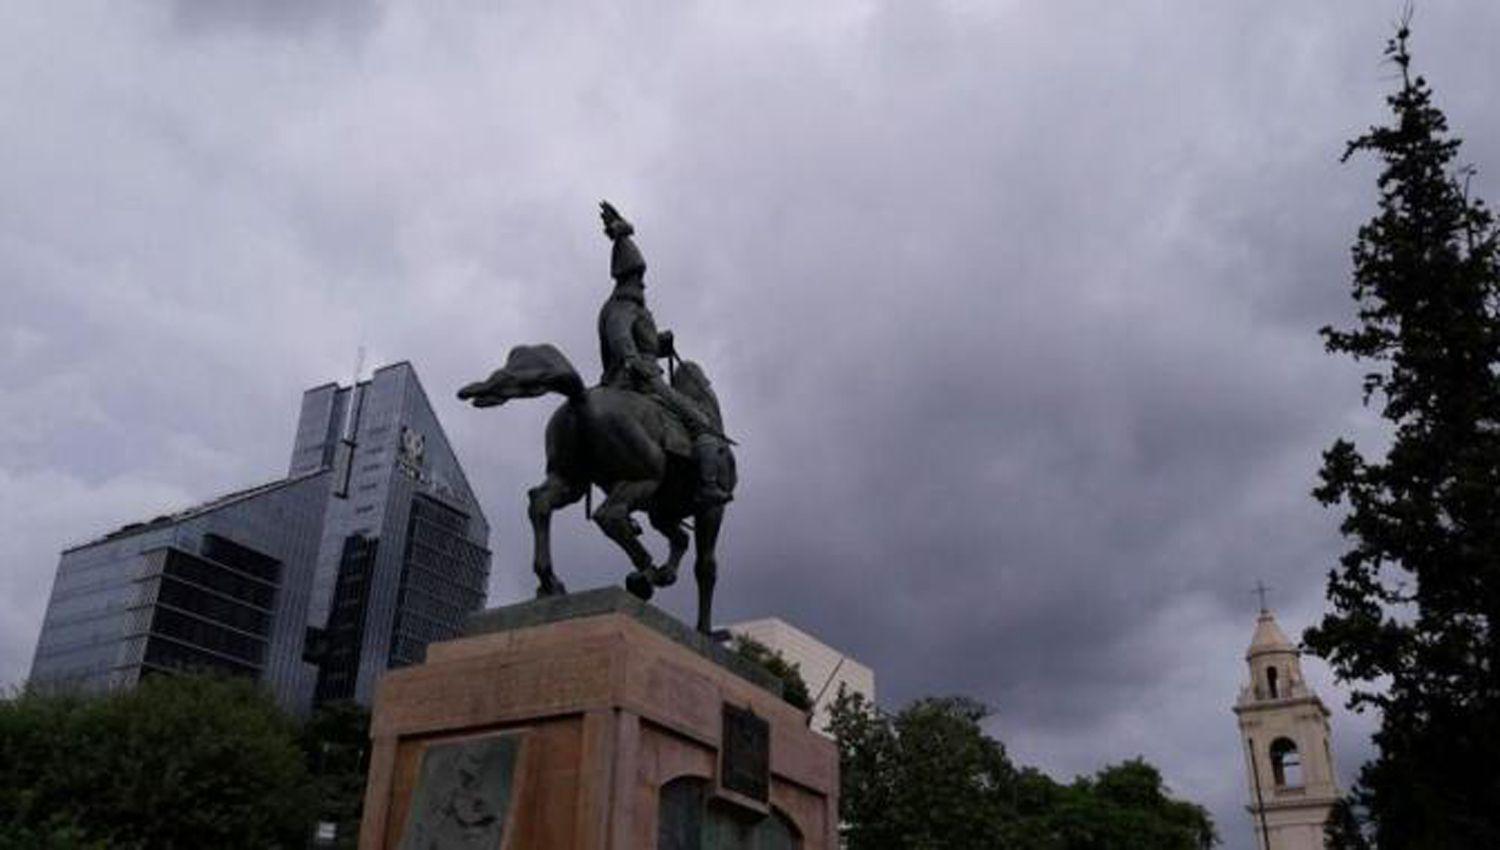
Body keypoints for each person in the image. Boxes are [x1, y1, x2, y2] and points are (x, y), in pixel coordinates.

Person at [597, 201, 735, 507]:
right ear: (629, 277)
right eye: (639, 277)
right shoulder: (623, 306)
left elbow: (637, 342)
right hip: (641, 379)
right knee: (700, 419)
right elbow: (620, 336)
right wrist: (635, 362)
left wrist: (660, 344)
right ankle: (708, 486)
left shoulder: (629, 306)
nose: (643, 284)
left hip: (640, 370)